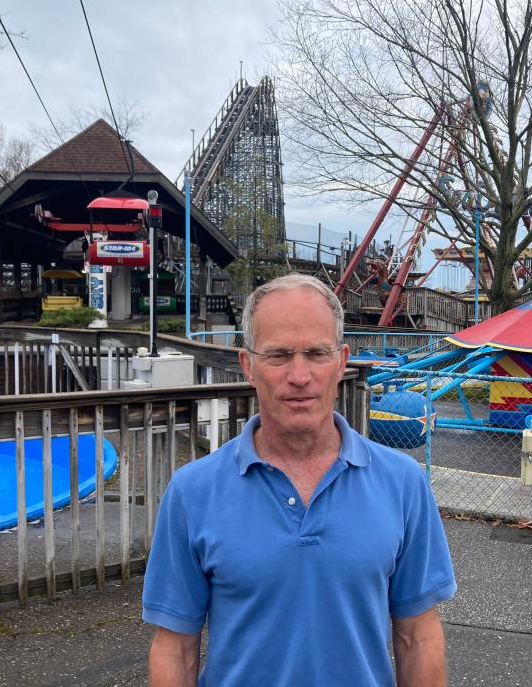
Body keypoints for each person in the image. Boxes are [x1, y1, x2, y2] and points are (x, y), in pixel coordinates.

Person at [142, 274, 456, 686]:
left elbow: (418, 636)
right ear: (248, 365)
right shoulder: (193, 492)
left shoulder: (402, 484)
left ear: (342, 362)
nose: (299, 374)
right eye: (278, 355)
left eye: (316, 352)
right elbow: (174, 648)